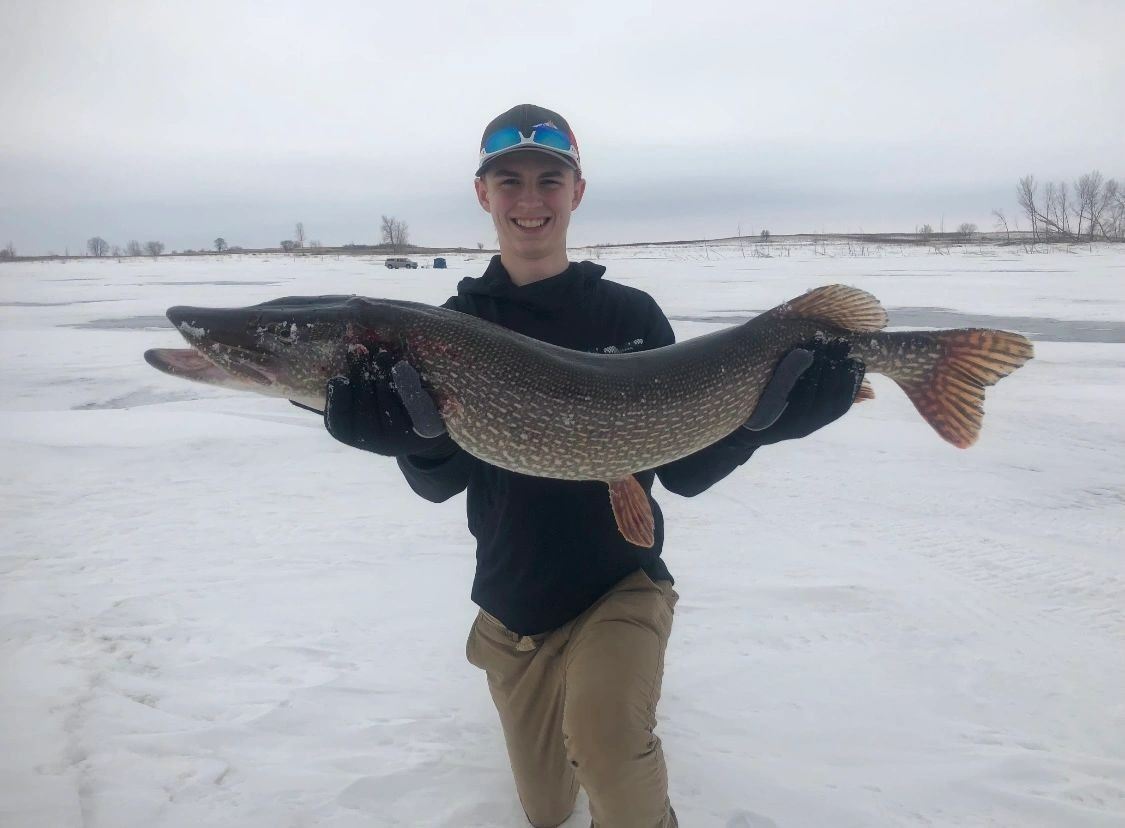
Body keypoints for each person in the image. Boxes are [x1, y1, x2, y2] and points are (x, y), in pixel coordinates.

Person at [322, 105, 864, 828]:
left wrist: (756, 426)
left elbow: (685, 473)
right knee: (547, 811)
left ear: (576, 192)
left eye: (549, 180)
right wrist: (410, 440)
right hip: (512, 602)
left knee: (609, 751)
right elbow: (439, 483)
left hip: (622, 583)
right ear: (483, 194)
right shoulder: (448, 329)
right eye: (509, 181)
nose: (530, 199)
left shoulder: (629, 317)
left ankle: (615, 722)